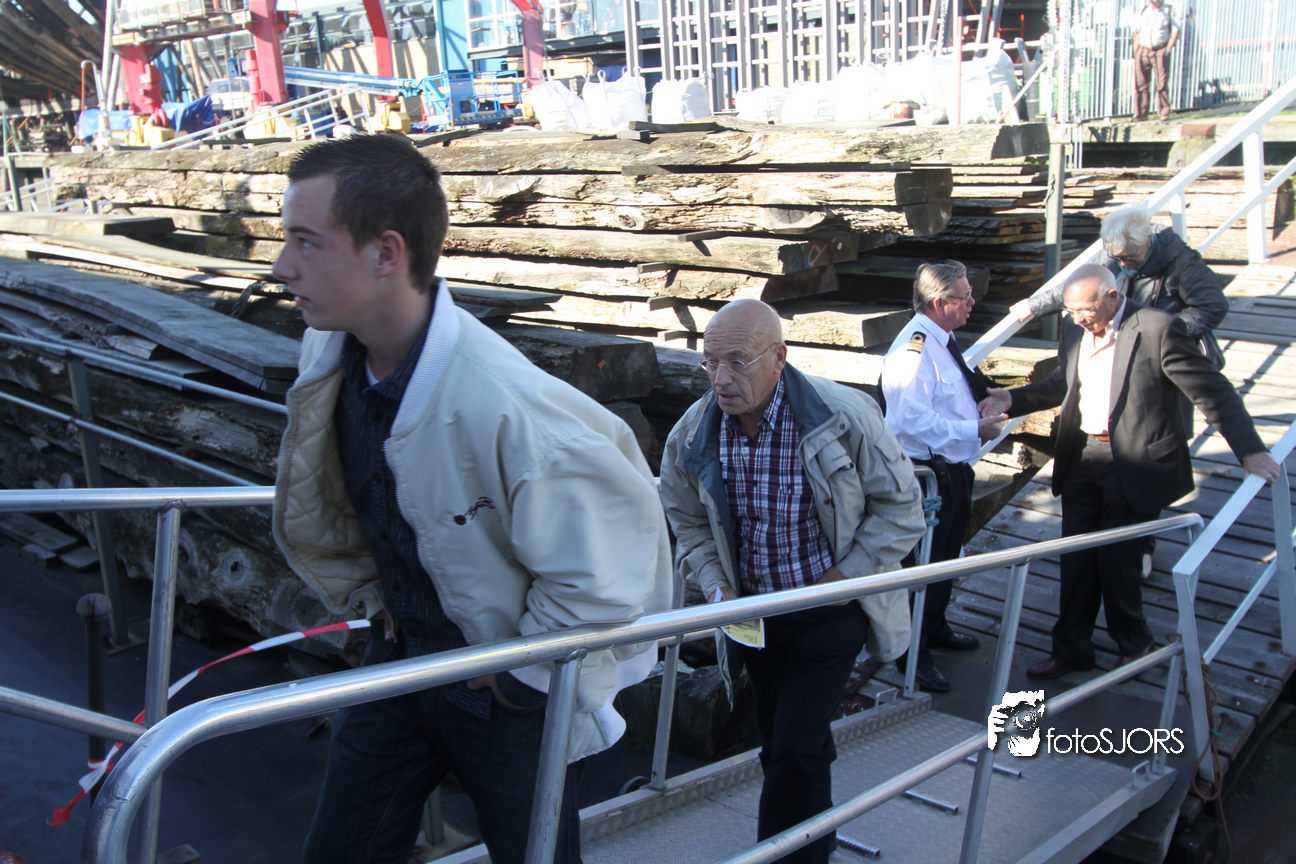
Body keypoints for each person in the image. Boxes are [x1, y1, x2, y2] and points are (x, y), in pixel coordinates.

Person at [270, 133, 672, 864]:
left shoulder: (508, 407)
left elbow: (607, 570)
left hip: (497, 685)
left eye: (306, 241)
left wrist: (520, 678)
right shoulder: (330, 351)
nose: (281, 265)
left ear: (386, 253)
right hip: (400, 655)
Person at [659, 299, 925, 864]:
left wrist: (841, 579)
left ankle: (781, 856)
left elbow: (903, 510)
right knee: (781, 741)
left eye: (737, 361)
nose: (720, 379)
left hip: (830, 608)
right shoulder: (693, 433)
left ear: (779, 357)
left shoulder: (842, 416)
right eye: (710, 363)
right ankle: (812, 841)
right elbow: (685, 520)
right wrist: (718, 587)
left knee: (795, 745)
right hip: (753, 615)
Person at [979, 265, 1280, 680]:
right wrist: (1011, 399)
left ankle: (1135, 645)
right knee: (1076, 557)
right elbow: (1063, 385)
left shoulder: (1159, 329)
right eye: (1070, 311)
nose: (1078, 319)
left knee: (1119, 561)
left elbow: (1213, 391)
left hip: (1134, 460)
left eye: (1085, 310)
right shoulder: (1073, 328)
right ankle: (1072, 650)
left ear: (1113, 297)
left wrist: (1250, 451)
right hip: (1082, 455)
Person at [1011, 203, 1230, 578]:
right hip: (1112, 358)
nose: (1123, 264)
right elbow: (1081, 287)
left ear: (1146, 243)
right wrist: (1034, 305)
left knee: (1148, 457)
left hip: (1158, 367)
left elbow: (1213, 305)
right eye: (1117, 258)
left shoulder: (1182, 263)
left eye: (1129, 258)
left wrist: (1160, 335)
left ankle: (1142, 547)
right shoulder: (1115, 252)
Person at [880, 261, 1007, 693]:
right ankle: (910, 654)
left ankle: (933, 627)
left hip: (953, 471)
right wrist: (973, 429)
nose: (973, 303)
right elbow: (908, 419)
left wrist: (984, 403)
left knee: (946, 557)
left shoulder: (942, 338)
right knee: (919, 567)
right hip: (926, 478)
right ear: (938, 302)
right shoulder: (913, 351)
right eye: (964, 297)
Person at [1132, 0, 1180, 121]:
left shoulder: (1168, 10)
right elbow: (1137, 31)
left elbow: (1176, 30)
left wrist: (1168, 48)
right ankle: (1141, 114)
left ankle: (1164, 112)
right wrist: (1136, 51)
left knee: (1161, 83)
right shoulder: (1144, 11)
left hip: (1160, 49)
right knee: (1140, 83)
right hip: (1143, 50)